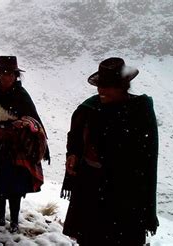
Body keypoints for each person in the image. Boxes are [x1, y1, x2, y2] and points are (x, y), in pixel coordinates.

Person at [60, 57, 159, 245]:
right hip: (91, 186)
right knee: (89, 237)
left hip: (125, 190)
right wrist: (72, 154)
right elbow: (75, 136)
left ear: (123, 86)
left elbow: (146, 157)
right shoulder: (89, 109)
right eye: (100, 85)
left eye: (109, 86)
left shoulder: (139, 111)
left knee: (120, 237)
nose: (101, 90)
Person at [0, 56, 50, 233]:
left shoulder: (22, 96)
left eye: (11, 74)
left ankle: (14, 220)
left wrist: (23, 127)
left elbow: (33, 119)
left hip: (16, 149)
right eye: (3, 73)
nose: (7, 77)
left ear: (16, 76)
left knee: (15, 187)